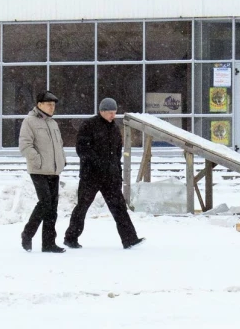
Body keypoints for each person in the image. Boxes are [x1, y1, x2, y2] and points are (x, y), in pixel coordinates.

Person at [63, 97, 145, 249]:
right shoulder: (89, 125)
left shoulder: (114, 129)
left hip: (111, 177)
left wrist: (117, 171)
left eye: (114, 113)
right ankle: (70, 237)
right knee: (82, 207)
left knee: (119, 208)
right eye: (110, 113)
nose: (113, 116)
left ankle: (130, 239)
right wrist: (98, 163)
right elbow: (82, 149)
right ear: (101, 111)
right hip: (91, 176)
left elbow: (117, 153)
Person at [19, 90, 67, 253]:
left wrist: (62, 160)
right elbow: (25, 145)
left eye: (53, 105)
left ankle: (48, 243)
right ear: (39, 105)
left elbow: (59, 145)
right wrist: (37, 160)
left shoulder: (53, 123)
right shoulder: (30, 121)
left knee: (52, 207)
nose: (52, 108)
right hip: (38, 170)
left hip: (53, 170)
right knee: (45, 203)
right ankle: (27, 234)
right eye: (49, 104)